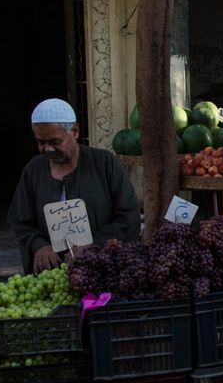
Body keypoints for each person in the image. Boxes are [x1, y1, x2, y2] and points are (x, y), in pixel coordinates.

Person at [8, 98, 141, 275]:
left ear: (75, 131)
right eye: (41, 142)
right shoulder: (34, 169)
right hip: (51, 274)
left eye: (55, 142)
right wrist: (39, 246)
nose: (48, 149)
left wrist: (94, 245)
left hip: (100, 269)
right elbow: (20, 219)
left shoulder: (104, 163)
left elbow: (129, 216)